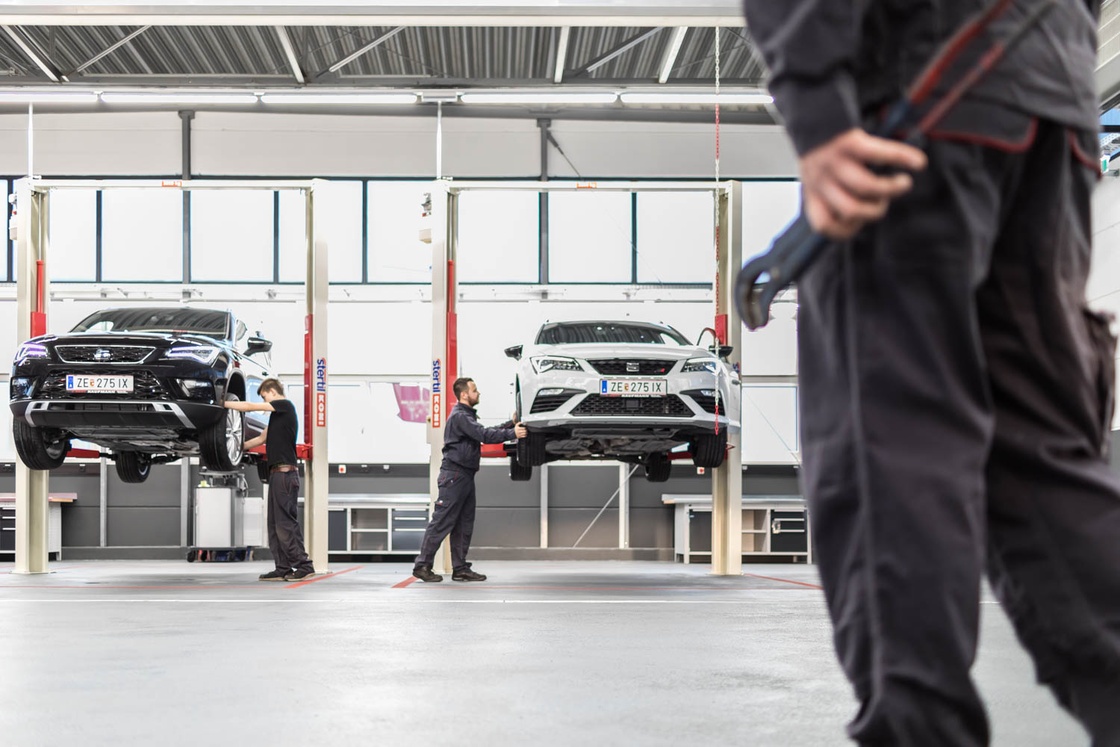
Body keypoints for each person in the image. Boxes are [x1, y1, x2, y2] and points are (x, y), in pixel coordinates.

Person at [740, 0, 1120, 744]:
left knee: (892, 460)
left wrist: (818, 107)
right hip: (1056, 111)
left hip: (918, 95)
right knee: (1042, 466)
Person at [413, 377, 527, 582]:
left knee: (463, 524)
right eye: (475, 390)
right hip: (454, 476)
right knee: (442, 521)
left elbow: (483, 431)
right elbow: (484, 435)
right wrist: (513, 433)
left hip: (464, 475)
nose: (478, 393)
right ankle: (422, 565)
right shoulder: (460, 416)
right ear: (464, 394)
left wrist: (511, 423)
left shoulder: (466, 417)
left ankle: (460, 568)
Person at [225, 379, 314, 582]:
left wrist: (222, 403)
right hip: (276, 475)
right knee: (274, 525)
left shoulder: (285, 405)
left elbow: (249, 406)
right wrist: (232, 447)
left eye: (265, 397)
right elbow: (259, 440)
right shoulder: (276, 417)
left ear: (272, 391)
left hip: (285, 475)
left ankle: (304, 565)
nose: (265, 402)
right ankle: (282, 568)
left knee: (285, 523)